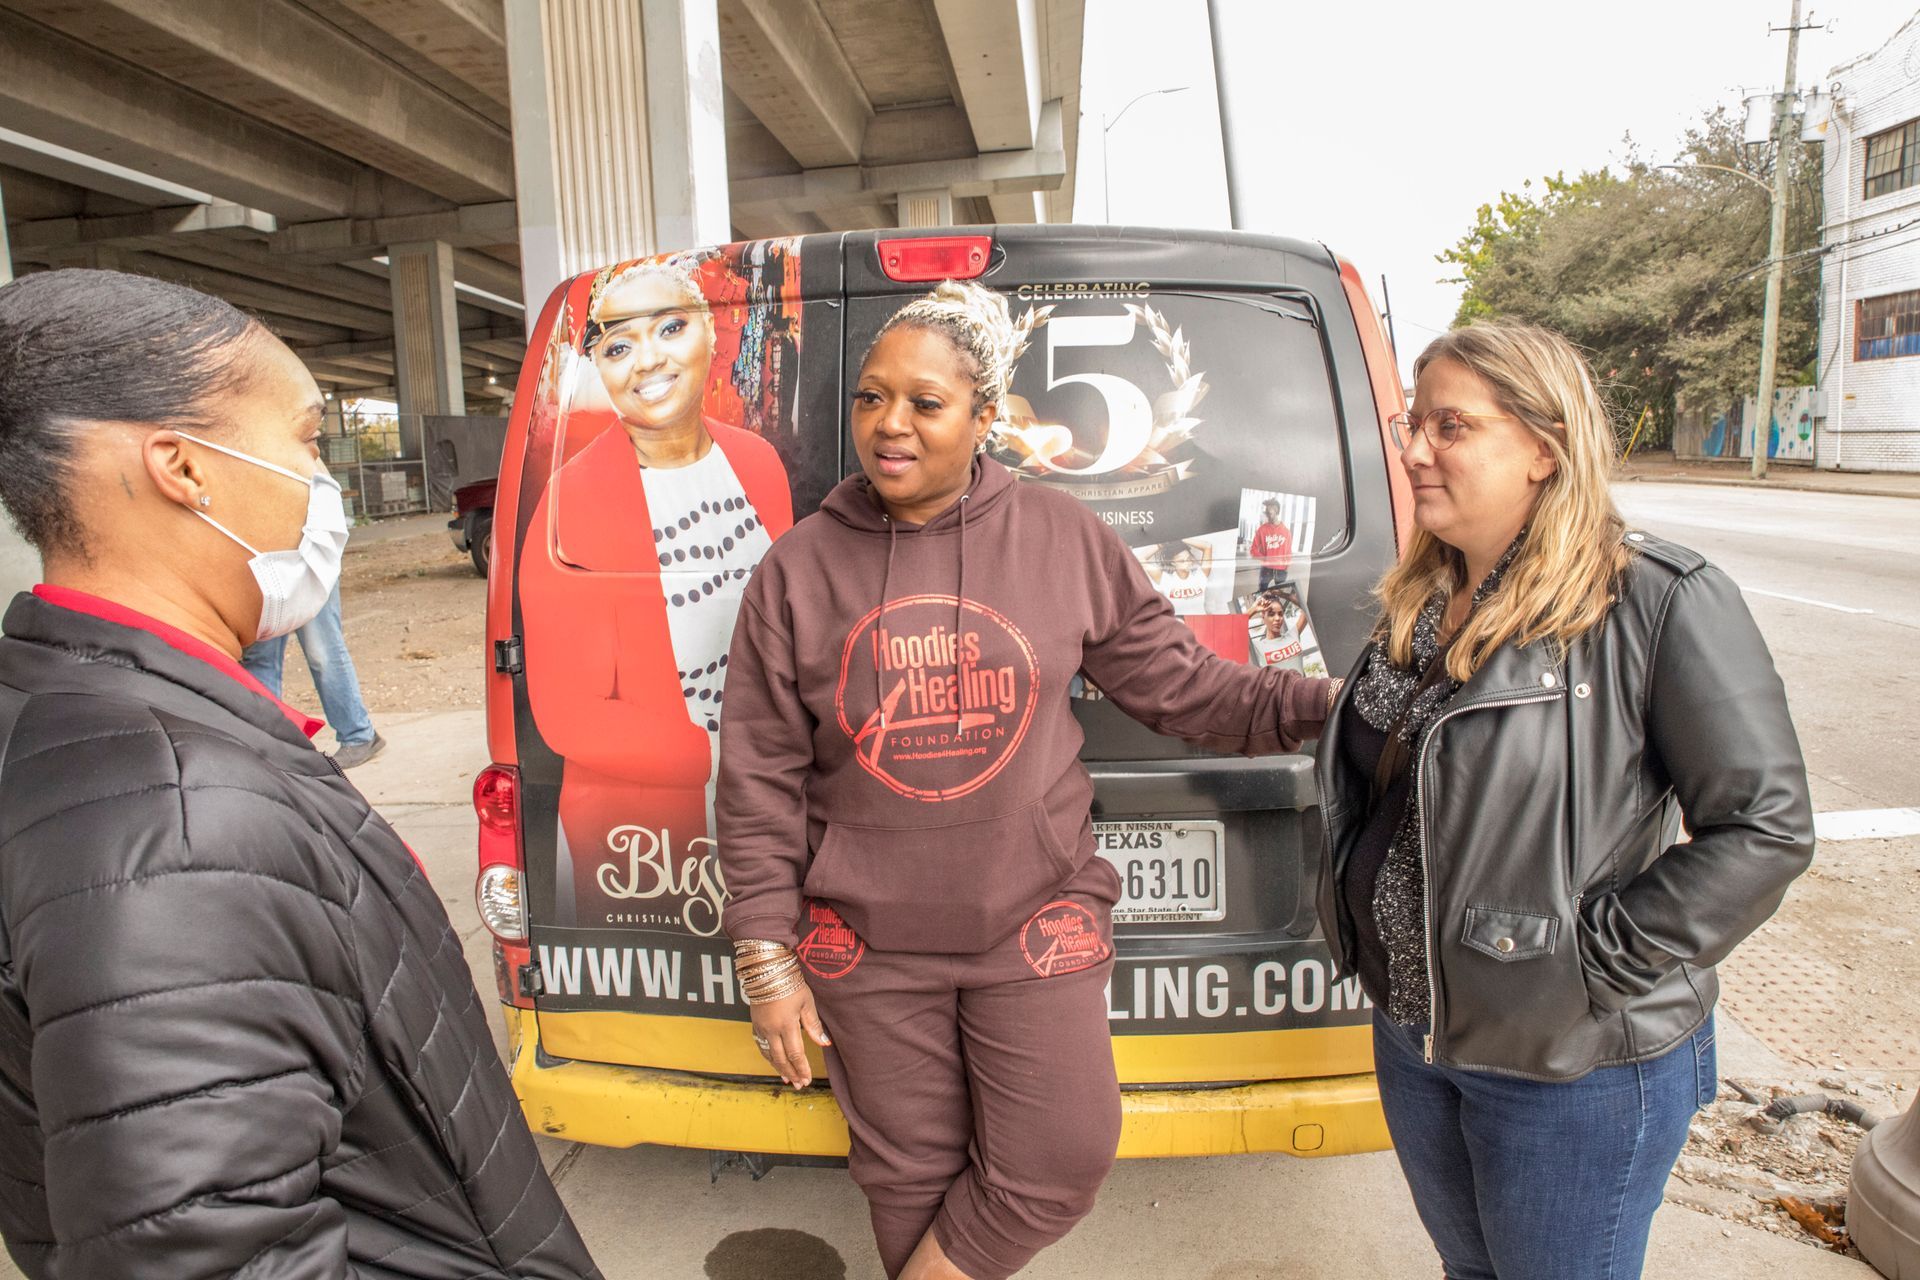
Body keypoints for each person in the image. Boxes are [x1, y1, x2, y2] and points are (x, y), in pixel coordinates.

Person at [716, 280, 1339, 1280]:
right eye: (873, 398)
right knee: (907, 1172)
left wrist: (1334, 703)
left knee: (1059, 1156)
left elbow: (1188, 691)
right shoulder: (797, 570)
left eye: (926, 402)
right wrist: (765, 961)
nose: (891, 426)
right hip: (866, 944)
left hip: (1031, 922)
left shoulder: (1061, 539)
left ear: (985, 417)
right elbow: (757, 775)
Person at [0, 270, 599, 1279]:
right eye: (308, 440)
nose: (323, 484)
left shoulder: (77, 710)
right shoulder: (176, 826)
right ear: (184, 467)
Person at [1316, 322, 1814, 1280]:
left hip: (1571, 1064)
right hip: (1418, 1031)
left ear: (1544, 447)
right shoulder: (1419, 600)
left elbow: (1765, 828)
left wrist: (1587, 965)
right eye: (1410, 423)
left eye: (1450, 426)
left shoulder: (1655, 601)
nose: (1413, 449)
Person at [517, 254, 792, 926]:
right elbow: (567, 714)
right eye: (617, 345)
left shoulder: (758, 463)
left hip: (778, 809)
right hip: (643, 842)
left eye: (669, 329)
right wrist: (733, 758)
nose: (646, 361)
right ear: (600, 368)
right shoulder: (571, 501)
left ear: (708, 333)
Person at [241, 582, 388, 768]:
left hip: (309, 565)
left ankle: (358, 735)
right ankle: (267, 746)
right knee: (260, 658)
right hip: (265, 569)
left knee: (322, 654)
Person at [1249, 496, 1293, 591]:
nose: (1268, 515)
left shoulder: (1286, 532)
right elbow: (1253, 550)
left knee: (1279, 594)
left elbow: (1288, 552)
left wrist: (1286, 567)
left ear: (1276, 512)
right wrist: (1264, 559)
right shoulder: (1262, 530)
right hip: (1266, 569)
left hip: (1281, 570)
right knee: (1262, 593)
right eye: (1266, 513)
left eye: (1270, 513)